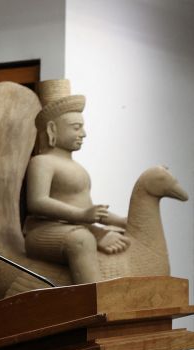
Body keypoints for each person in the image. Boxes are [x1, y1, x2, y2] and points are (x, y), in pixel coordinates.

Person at [23, 79, 129, 284]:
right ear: (52, 129)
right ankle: (96, 301)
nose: (84, 134)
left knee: (120, 234)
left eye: (83, 127)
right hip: (44, 232)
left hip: (76, 226)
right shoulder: (42, 162)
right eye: (76, 127)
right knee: (81, 240)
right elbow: (37, 202)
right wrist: (82, 215)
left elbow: (90, 209)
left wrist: (122, 221)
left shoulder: (78, 169)